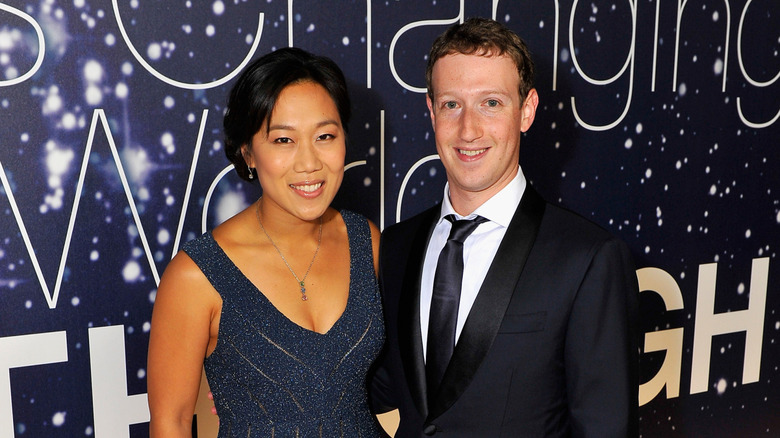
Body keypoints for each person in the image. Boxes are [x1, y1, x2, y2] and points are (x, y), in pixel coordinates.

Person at [370, 17, 639, 437]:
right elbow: (379, 386)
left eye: (491, 103)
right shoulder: (396, 246)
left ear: (526, 111)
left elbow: (605, 428)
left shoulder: (587, 259)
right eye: (451, 104)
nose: (468, 129)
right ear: (431, 111)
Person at [147, 47, 385, 437]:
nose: (309, 163)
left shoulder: (366, 241)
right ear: (248, 153)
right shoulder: (197, 276)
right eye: (283, 141)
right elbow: (169, 424)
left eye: (325, 136)